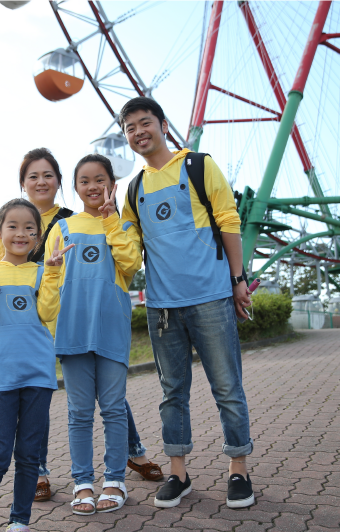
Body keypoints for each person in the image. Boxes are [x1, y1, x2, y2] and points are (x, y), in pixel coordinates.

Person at [0, 148, 162, 503]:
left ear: (60, 182)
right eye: (33, 176)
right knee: (53, 402)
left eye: (48, 175)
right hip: (39, 324)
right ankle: (42, 471)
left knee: (108, 399)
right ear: (22, 183)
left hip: (75, 317)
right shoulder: (16, 219)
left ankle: (130, 455)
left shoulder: (69, 219)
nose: (41, 182)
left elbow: (126, 261)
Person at [120, 96, 255, 509]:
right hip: (162, 307)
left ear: (163, 125)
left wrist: (238, 280)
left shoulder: (198, 165)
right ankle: (178, 473)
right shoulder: (133, 189)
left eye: (145, 123)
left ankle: (238, 469)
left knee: (227, 387)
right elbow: (128, 250)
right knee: (171, 393)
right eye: (130, 128)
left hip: (211, 297)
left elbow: (228, 220)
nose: (139, 132)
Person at [0, 198, 71, 532]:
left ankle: (19, 522)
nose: (21, 233)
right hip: (0, 375)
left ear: (38, 237)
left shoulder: (42, 272)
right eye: (13, 226)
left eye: (29, 228)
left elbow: (48, 313)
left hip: (38, 375)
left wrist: (52, 273)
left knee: (28, 455)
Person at [44, 154, 144, 515]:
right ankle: (83, 483)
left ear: (112, 185)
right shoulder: (62, 227)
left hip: (111, 327)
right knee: (79, 413)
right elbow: (50, 280)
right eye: (84, 181)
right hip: (72, 330)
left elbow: (131, 264)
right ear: (75, 187)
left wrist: (111, 221)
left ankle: (115, 480)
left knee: (114, 409)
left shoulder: (123, 224)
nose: (92, 187)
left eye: (99, 179)